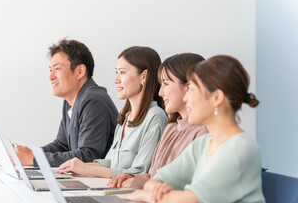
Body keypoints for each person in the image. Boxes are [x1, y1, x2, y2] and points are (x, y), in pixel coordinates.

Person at [124, 55, 271, 203]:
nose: (186, 99)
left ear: (216, 97)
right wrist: (155, 188)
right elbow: (157, 179)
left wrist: (146, 195)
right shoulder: (203, 144)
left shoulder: (240, 148)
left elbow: (188, 200)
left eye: (192, 90)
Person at [57, 46, 167, 178]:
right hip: (111, 187)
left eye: (123, 72)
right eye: (117, 72)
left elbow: (139, 173)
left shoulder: (155, 117)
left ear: (144, 76)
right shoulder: (125, 117)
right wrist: (80, 166)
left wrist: (87, 170)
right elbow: (110, 162)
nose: (116, 80)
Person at [107, 53, 208, 188]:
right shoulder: (171, 128)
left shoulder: (203, 133)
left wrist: (136, 181)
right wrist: (133, 177)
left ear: (189, 86)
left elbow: (173, 184)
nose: (160, 93)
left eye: (166, 83)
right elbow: (154, 174)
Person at [14, 39, 118, 167]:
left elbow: (89, 156)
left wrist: (34, 159)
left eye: (57, 69)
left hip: (102, 183)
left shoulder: (94, 100)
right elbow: (62, 145)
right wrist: (31, 153)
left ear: (80, 71)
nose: (50, 76)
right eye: (50, 70)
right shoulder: (71, 101)